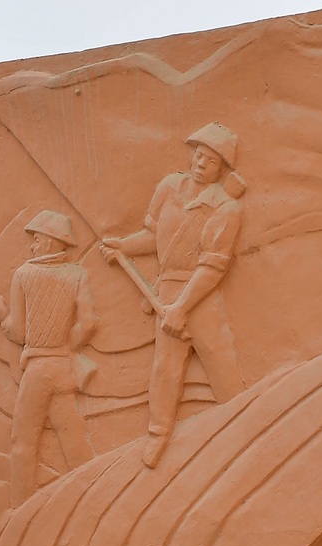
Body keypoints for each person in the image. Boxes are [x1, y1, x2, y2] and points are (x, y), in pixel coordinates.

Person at [100, 122, 247, 467]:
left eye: (211, 161)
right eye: (198, 155)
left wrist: (181, 308)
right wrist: (123, 246)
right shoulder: (169, 188)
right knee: (165, 369)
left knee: (220, 361)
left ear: (222, 168)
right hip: (167, 290)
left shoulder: (226, 209)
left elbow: (213, 267)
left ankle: (244, 430)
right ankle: (158, 436)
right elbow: (154, 239)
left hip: (200, 294)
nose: (201, 163)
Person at [0, 210, 98, 502]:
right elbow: (88, 324)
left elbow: (18, 333)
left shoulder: (24, 275)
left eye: (36, 240)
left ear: (50, 241)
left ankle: (20, 507)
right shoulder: (78, 275)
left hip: (38, 368)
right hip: (62, 366)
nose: (33, 246)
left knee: (23, 439)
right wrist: (64, 345)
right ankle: (94, 495)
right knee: (71, 435)